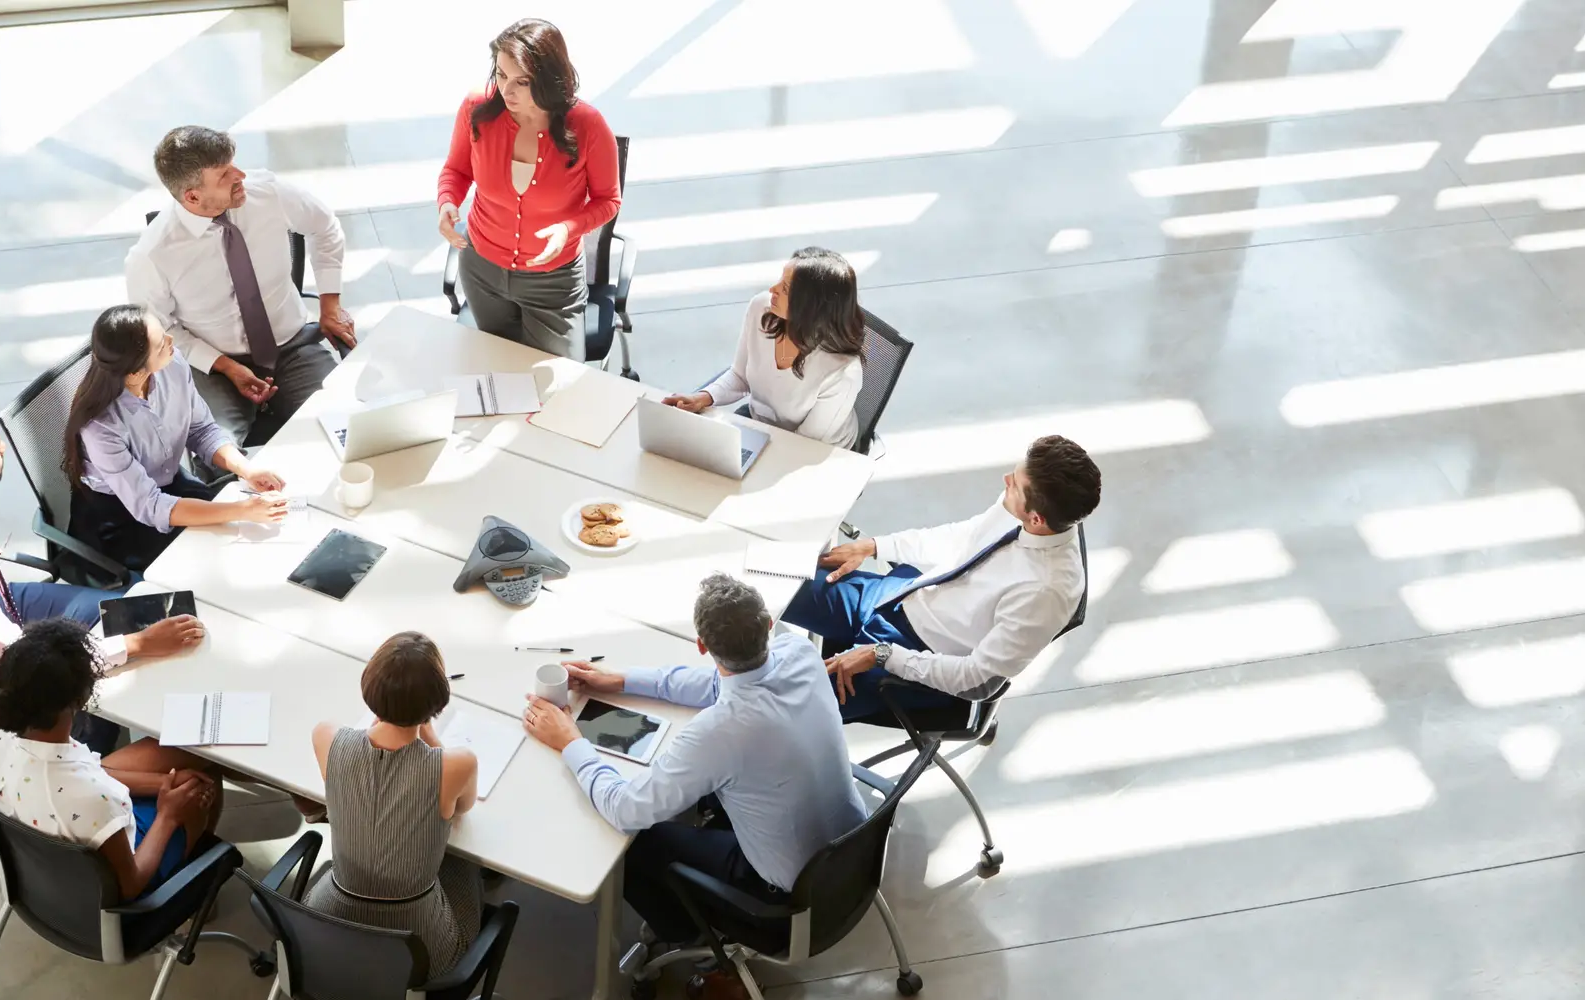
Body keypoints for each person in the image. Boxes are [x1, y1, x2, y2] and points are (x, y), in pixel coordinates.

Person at [522, 573, 865, 949]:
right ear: (769, 626)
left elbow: (625, 809)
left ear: (701, 645)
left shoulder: (719, 732)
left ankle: (696, 942)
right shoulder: (799, 653)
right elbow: (722, 684)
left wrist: (570, 740)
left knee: (634, 843)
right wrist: (622, 680)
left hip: (784, 904)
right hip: (853, 854)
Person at [0, 406, 204, 734]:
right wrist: (139, 644)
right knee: (87, 695)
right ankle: (98, 769)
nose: (2, 447)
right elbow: (29, 663)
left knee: (121, 608)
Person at [783, 435, 1101, 722]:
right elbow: (961, 539)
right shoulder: (1020, 506)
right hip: (898, 596)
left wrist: (881, 654)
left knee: (782, 710)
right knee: (772, 579)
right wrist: (876, 547)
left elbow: (975, 679)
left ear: (1037, 519)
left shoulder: (1047, 592)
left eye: (1015, 484)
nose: (1005, 480)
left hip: (915, 661)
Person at [126, 125, 352, 457]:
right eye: (224, 175)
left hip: (291, 345)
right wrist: (226, 367)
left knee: (346, 428)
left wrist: (330, 307)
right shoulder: (152, 256)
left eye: (234, 164)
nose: (240, 175)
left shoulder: (268, 194)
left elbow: (325, 227)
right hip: (215, 364)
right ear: (192, 196)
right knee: (219, 455)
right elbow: (161, 332)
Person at [0, 619, 222, 900]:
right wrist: (168, 814)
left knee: (186, 759)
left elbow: (88, 772)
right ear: (81, 698)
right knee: (204, 773)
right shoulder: (92, 796)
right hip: (118, 877)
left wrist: (161, 783)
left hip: (50, 832)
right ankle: (196, 889)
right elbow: (129, 885)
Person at [436, 19, 621, 360]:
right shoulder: (476, 109)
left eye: (521, 81)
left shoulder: (588, 126)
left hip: (553, 284)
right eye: (501, 75)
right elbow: (456, 170)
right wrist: (448, 202)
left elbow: (608, 200)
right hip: (482, 271)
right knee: (500, 373)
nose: (506, 91)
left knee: (557, 390)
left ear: (550, 79)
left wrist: (569, 228)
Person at [305, 632, 482, 979]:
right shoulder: (457, 765)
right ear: (437, 700)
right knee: (467, 867)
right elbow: (462, 808)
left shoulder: (327, 737)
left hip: (328, 927)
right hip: (419, 951)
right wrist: (427, 730)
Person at [63, 304, 291, 571]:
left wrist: (247, 470)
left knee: (239, 535)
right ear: (135, 372)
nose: (171, 341)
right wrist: (241, 509)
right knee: (208, 556)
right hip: (121, 516)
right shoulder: (101, 426)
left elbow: (202, 430)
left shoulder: (173, 365)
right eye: (161, 344)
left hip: (166, 482)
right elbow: (150, 506)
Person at [663, 248, 867, 449]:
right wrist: (702, 398)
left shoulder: (842, 371)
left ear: (810, 308)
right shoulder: (762, 308)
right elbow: (740, 375)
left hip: (812, 453)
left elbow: (804, 447)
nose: (773, 290)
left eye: (785, 289)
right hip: (762, 427)